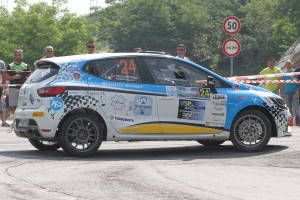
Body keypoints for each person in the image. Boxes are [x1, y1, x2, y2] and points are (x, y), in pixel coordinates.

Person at [2, 50, 31, 114]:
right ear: (14, 56)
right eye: (17, 55)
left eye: (20, 55)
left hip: (23, 88)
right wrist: (14, 77)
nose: (19, 57)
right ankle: (15, 120)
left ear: (22, 56)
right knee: (14, 106)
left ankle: (21, 120)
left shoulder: (26, 66)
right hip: (13, 88)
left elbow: (30, 76)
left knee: (23, 105)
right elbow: (5, 77)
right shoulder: (10, 66)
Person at [281, 60, 299, 126]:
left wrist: (297, 91)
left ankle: (298, 122)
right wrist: (282, 93)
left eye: (289, 63)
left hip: (295, 93)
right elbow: (282, 84)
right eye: (286, 64)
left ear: (291, 64)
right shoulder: (284, 73)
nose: (288, 65)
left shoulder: (295, 72)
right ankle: (289, 123)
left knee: (296, 108)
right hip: (286, 93)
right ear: (285, 65)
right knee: (288, 108)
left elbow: (297, 82)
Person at [0, 60, 10, 127]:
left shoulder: (1, 63)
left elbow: (4, 74)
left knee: (0, 102)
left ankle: (3, 122)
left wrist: (3, 85)